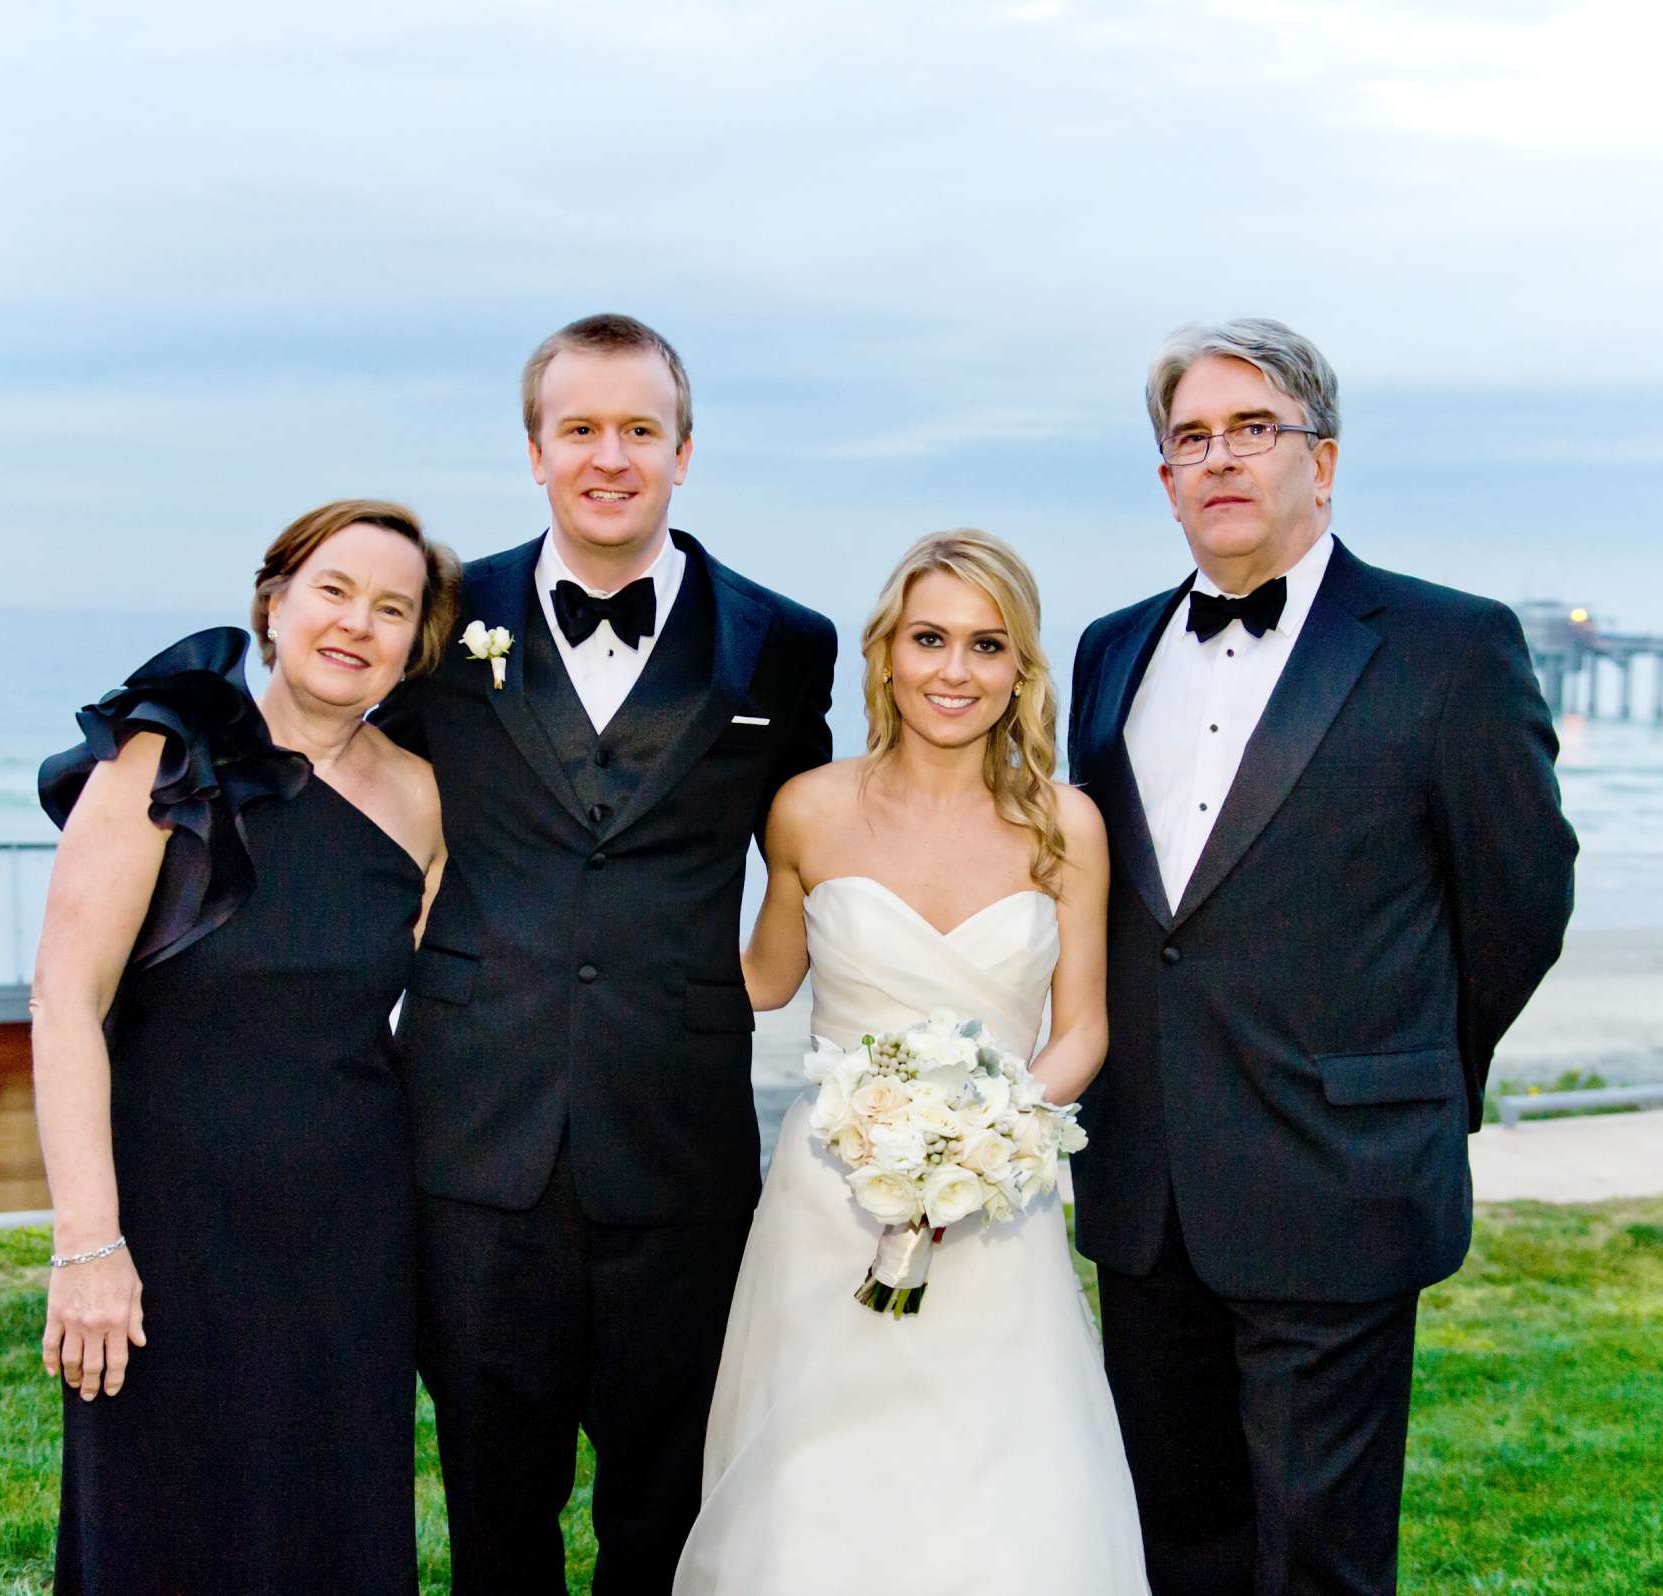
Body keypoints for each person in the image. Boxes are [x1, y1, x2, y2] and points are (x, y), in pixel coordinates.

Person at [1068, 318, 1577, 1595]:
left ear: (1325, 461)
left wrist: (1406, 1078)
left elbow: (1520, 898)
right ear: (1166, 476)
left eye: (1255, 430)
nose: (1221, 459)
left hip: (1339, 1177)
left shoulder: (1450, 648)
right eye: (1192, 438)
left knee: (1320, 1560)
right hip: (1149, 1189)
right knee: (1173, 1538)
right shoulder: (1108, 647)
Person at [368, 313, 837, 1594]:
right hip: (473, 1133)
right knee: (493, 1516)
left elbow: (823, 837)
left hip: (676, 1140)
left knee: (666, 1507)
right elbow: (338, 752)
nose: (609, 456)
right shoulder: (444, 615)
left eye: (640, 429)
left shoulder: (784, 643)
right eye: (581, 428)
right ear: (535, 452)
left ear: (687, 451)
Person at [675, 528, 1145, 1593]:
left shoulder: (1067, 826)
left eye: (987, 647)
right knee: (813, 1478)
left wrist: (985, 1141)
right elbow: (763, 979)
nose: (954, 670)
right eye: (930, 638)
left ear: (1020, 670)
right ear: (887, 650)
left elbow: (1083, 1029)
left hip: (996, 1202)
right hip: (826, 1199)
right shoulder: (809, 808)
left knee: (997, 1482)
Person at [30, 498, 459, 1594]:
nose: (356, 624)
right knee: (162, 1535)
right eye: (334, 590)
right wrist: (89, 1244)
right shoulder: (159, 760)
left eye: (391, 608)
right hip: (166, 1240)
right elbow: (64, 1000)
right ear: (274, 603)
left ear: (414, 646)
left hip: (350, 1246)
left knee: (333, 1532)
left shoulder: (422, 801)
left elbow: (405, 1012)